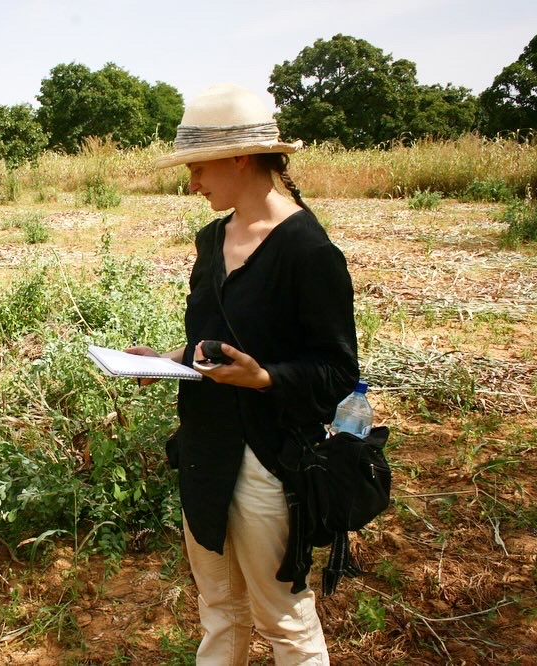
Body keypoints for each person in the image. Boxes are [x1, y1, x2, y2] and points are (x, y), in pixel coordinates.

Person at [128, 83, 359, 665]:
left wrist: (265, 379)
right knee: (219, 609)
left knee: (283, 619)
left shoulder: (308, 251)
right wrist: (167, 361)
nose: (193, 185)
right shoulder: (211, 240)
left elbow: (337, 370)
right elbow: (211, 345)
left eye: (198, 168)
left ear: (238, 158)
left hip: (268, 459)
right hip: (205, 450)